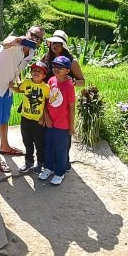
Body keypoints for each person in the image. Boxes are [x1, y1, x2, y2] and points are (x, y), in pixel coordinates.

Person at [0, 26, 42, 172]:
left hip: (8, 87)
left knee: (4, 119)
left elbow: (18, 68)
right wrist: (15, 41)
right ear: (27, 33)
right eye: (33, 34)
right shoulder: (15, 42)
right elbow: (5, 44)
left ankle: (5, 146)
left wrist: (19, 80)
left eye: (39, 38)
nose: (35, 38)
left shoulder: (31, 52)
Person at [39, 55, 76, 185]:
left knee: (61, 149)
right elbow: (45, 101)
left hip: (63, 125)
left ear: (67, 70)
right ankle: (48, 168)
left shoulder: (69, 86)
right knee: (48, 146)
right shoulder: (51, 81)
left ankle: (60, 172)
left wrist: (71, 126)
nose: (56, 68)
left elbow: (72, 107)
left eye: (60, 67)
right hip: (50, 123)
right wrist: (46, 117)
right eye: (54, 66)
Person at [13, 60, 50, 174]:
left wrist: (44, 117)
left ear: (44, 75)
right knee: (27, 141)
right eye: (34, 70)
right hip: (25, 118)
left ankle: (41, 163)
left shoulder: (46, 88)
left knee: (39, 143)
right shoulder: (27, 82)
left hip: (37, 120)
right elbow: (20, 89)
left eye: (40, 71)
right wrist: (12, 86)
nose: (36, 73)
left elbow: (47, 103)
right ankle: (28, 162)